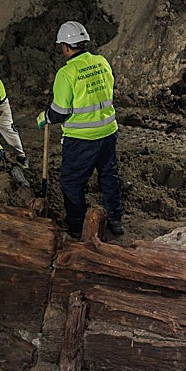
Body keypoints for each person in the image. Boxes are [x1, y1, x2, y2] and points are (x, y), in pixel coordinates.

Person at [38, 21, 123, 240]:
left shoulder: (67, 73)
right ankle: (115, 219)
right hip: (108, 133)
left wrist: (45, 117)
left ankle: (77, 228)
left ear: (65, 47)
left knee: (71, 183)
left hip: (82, 139)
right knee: (108, 177)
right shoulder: (101, 62)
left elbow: (60, 112)